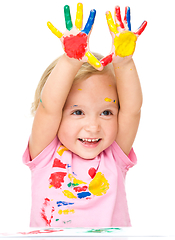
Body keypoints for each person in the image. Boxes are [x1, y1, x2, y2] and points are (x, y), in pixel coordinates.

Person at [23, 3, 147, 227]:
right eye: (78, 111)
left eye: (106, 112)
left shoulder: (114, 155)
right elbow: (48, 107)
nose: (93, 126)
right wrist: (70, 61)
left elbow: (132, 109)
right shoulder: (45, 153)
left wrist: (125, 62)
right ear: (59, 115)